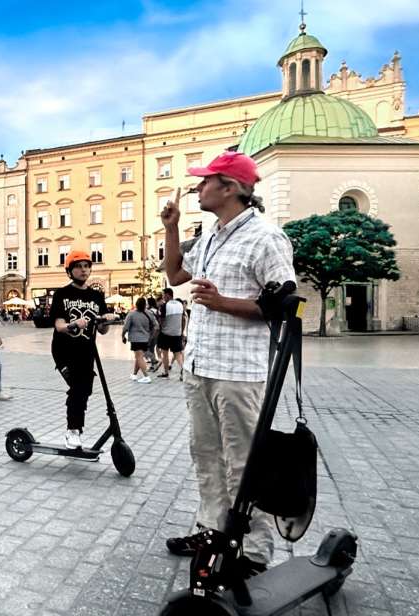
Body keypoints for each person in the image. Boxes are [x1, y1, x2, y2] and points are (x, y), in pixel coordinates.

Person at [160, 151, 297, 575]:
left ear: (231, 188)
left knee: (243, 463)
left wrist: (223, 303)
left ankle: (253, 554)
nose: (198, 188)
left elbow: (285, 305)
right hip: (200, 366)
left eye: (206, 181)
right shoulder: (212, 235)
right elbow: (175, 275)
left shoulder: (265, 237)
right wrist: (171, 228)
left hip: (239, 373)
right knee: (205, 454)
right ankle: (212, 531)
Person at [50, 251, 119, 449]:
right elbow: (59, 326)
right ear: (70, 271)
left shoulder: (96, 295)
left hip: (87, 351)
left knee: (85, 389)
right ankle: (73, 431)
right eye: (78, 266)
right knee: (78, 388)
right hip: (64, 350)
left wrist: (107, 320)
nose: (83, 270)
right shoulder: (62, 294)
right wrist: (74, 324)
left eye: (86, 266)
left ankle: (75, 428)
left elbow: (103, 330)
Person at [156, 288, 186, 379]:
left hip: (166, 333)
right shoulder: (180, 304)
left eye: (163, 295)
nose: (163, 297)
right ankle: (183, 370)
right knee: (177, 353)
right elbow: (183, 319)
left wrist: (161, 327)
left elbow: (161, 320)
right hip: (177, 333)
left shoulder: (165, 306)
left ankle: (165, 372)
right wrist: (181, 331)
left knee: (165, 353)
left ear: (168, 295)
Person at [123, 297, 154, 383]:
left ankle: (146, 376)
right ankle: (134, 374)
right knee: (139, 357)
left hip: (135, 339)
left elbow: (126, 327)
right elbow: (156, 325)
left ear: (136, 304)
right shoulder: (149, 313)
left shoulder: (131, 314)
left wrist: (122, 336)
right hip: (146, 338)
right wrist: (151, 336)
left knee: (139, 357)